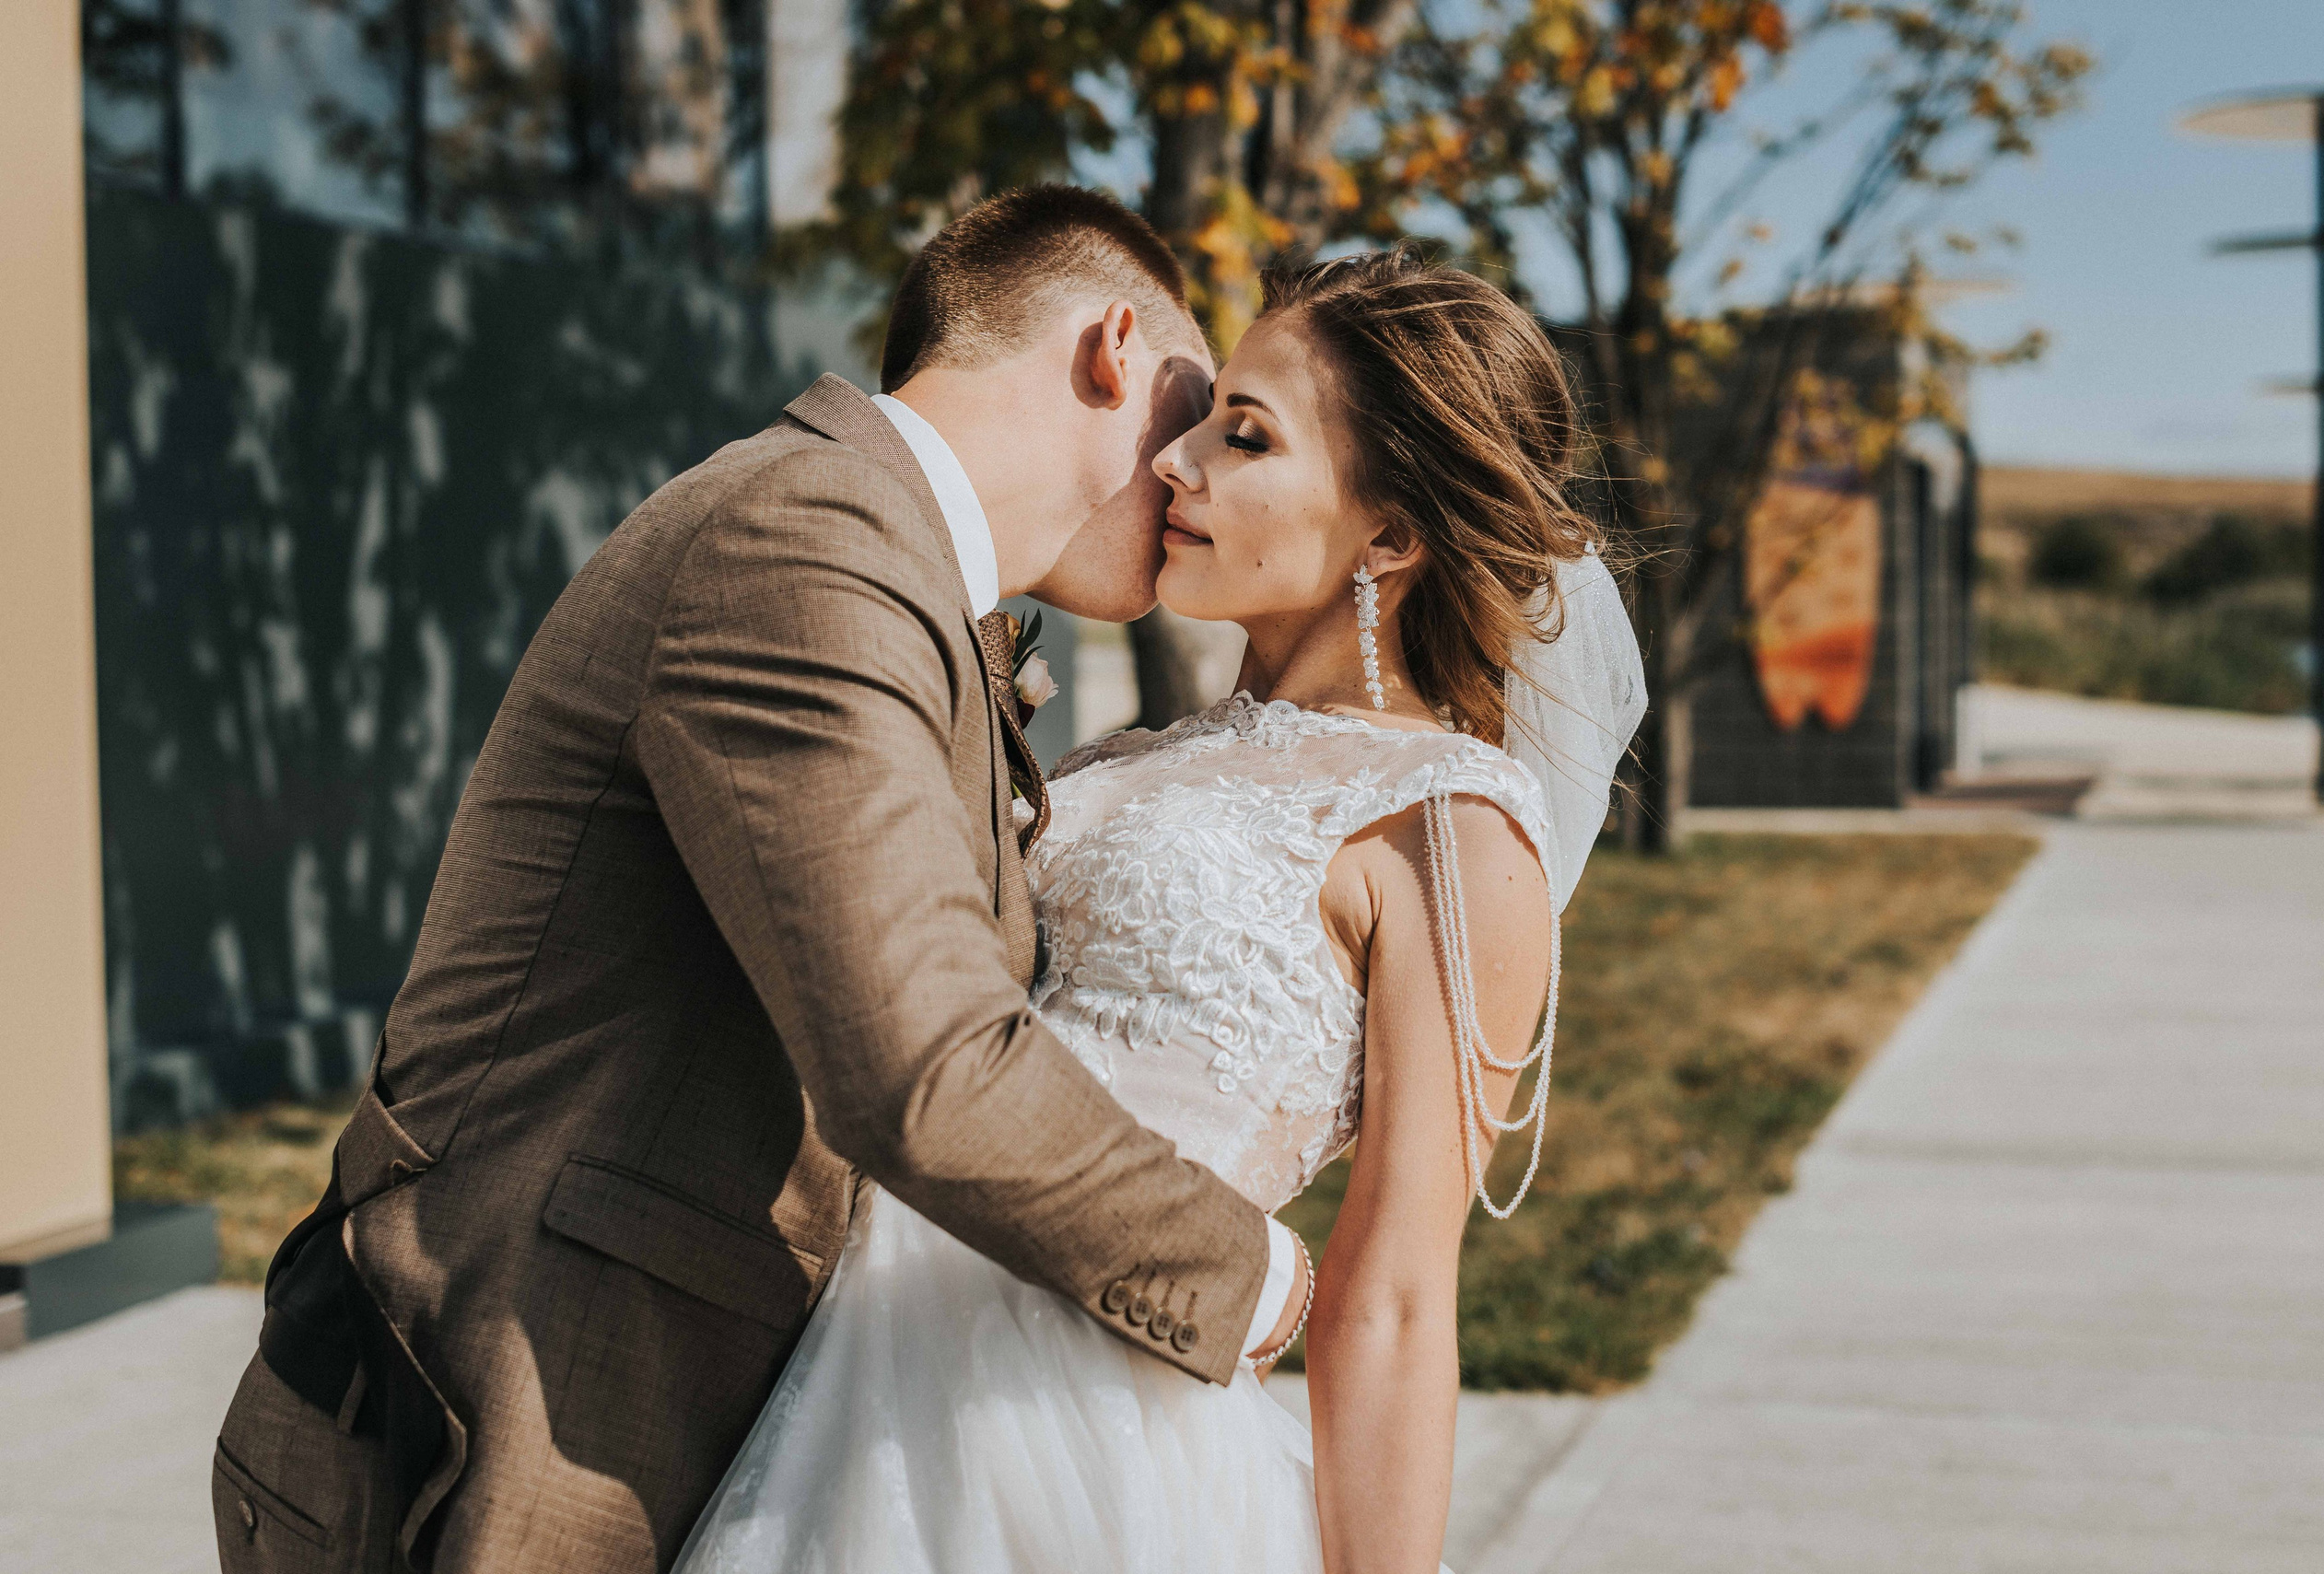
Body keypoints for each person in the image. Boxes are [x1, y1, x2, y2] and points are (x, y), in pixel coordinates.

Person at [209, 186, 1314, 1574]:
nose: (1189, 472)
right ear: (1108, 351)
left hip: (615, 1406)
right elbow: (925, 1067)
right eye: (1191, 410)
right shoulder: (811, 537)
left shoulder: (892, 566)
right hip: (476, 1423)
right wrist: (1255, 1273)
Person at [675, 249, 1645, 1572]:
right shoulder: (1118, 759)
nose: (1174, 462)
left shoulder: (1451, 826)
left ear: (1391, 534)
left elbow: (1399, 1298)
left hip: (1093, 1443)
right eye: (1198, 420)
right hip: (856, 1367)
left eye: (1244, 434)